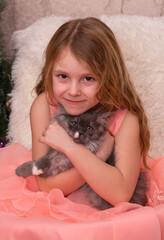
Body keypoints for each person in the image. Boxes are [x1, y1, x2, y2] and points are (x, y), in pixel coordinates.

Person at [0, 17, 163, 239]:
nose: (74, 91)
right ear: (50, 73)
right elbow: (47, 186)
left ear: (108, 78)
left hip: (108, 213)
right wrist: (101, 152)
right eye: (63, 77)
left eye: (88, 78)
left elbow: (121, 193)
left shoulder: (125, 119)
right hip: (53, 210)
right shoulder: (43, 106)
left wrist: (71, 147)